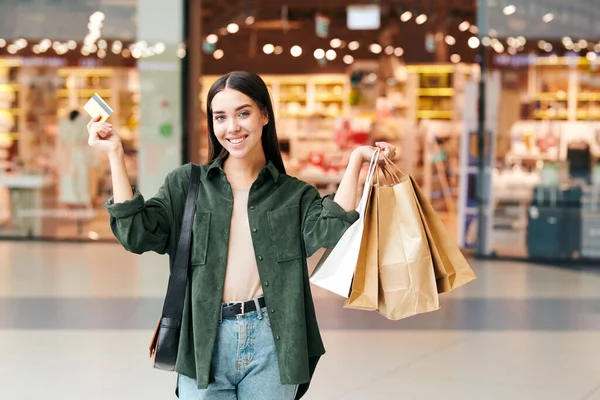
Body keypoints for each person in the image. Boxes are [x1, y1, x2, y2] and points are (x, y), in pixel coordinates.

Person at [87, 70, 395, 400]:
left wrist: (357, 162)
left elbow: (331, 226)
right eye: (220, 117)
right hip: (202, 340)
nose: (231, 127)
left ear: (264, 115)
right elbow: (136, 234)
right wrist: (115, 155)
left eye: (243, 113)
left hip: (272, 340)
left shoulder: (293, 194)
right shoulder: (187, 185)